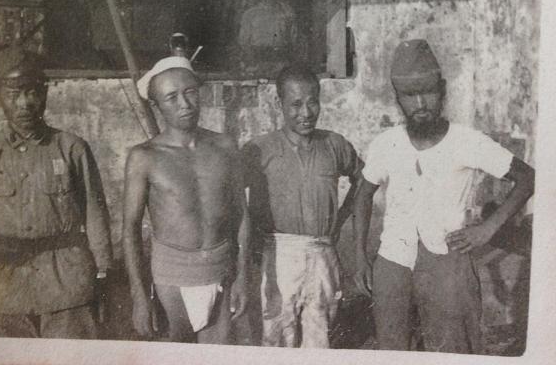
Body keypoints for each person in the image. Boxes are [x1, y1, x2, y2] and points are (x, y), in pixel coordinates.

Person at [353, 39, 535, 354]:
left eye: (429, 92)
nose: (421, 103)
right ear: (397, 98)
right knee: (391, 349)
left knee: (452, 349)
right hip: (393, 262)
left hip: (448, 262)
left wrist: (487, 229)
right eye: (409, 95)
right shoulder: (386, 144)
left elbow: (527, 178)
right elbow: (363, 195)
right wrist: (359, 257)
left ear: (443, 90)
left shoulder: (467, 141)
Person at [0, 45, 113, 339]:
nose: (24, 103)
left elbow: (95, 213)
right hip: (7, 288)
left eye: (32, 92)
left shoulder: (71, 148)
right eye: (13, 93)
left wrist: (103, 273)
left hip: (68, 286)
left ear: (45, 93)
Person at [123, 56, 249, 344]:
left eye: (190, 92)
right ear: (157, 105)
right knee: (176, 354)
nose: (185, 104)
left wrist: (242, 278)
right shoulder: (144, 157)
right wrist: (139, 296)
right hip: (172, 277)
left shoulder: (225, 146)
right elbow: (130, 228)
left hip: (220, 270)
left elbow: (242, 215)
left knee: (216, 356)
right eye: (171, 97)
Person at [242, 64, 363, 348]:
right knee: (275, 335)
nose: (306, 113)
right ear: (279, 104)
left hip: (322, 251)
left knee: (321, 334)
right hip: (277, 253)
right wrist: (251, 242)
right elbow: (232, 196)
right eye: (296, 104)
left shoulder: (334, 144)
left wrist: (340, 219)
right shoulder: (259, 149)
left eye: (313, 102)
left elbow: (364, 181)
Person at [237, 0, 298, 75]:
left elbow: (294, 38)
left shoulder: (287, 12)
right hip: (257, 62)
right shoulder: (250, 14)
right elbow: (243, 41)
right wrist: (253, 61)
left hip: (280, 62)